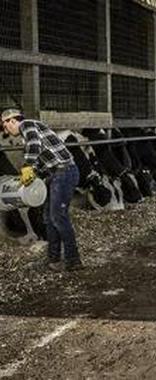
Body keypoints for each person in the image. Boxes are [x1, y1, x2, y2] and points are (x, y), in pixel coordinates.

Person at [1, 108, 81, 271]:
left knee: (58, 217)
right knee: (48, 218)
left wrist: (27, 166)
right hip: (55, 174)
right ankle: (53, 260)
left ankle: (73, 260)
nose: (5, 130)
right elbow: (40, 159)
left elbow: (34, 147)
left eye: (5, 126)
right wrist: (32, 173)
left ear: (12, 121)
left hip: (64, 171)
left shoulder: (27, 125)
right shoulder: (31, 133)